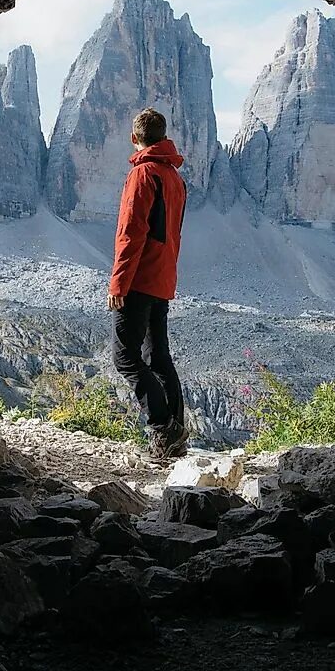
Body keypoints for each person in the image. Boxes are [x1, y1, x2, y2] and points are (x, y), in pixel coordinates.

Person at [108, 108, 189, 459]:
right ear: (164, 135)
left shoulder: (143, 174)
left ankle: (163, 427)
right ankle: (177, 436)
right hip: (163, 277)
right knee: (158, 357)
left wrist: (118, 284)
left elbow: (131, 233)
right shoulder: (174, 177)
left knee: (125, 357)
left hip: (140, 278)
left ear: (134, 138)